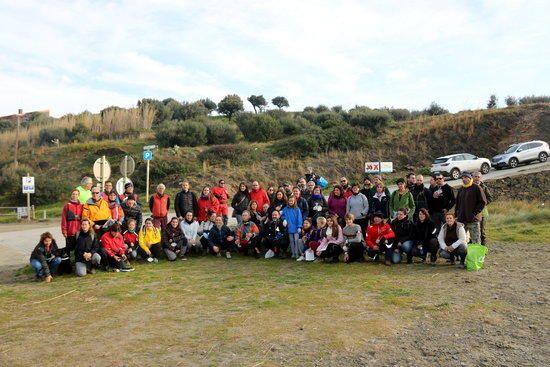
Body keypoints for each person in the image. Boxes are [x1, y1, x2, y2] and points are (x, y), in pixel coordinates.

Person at [455, 172, 487, 245]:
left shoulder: (476, 188)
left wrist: (474, 213)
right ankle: (463, 255)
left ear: (470, 178)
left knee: (476, 241)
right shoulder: (461, 189)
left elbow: (483, 202)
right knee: (460, 240)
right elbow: (457, 204)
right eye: (462, 178)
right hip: (462, 220)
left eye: (465, 177)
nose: (463, 179)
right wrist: (456, 215)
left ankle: (477, 256)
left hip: (473, 220)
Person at [61, 189, 83, 260]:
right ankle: (68, 265)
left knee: (79, 249)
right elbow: (64, 219)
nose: (75, 195)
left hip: (79, 231)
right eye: (73, 194)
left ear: (78, 195)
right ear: (71, 195)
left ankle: (77, 263)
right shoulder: (67, 206)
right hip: (70, 232)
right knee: (69, 249)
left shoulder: (82, 206)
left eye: (76, 194)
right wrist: (64, 231)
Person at [473, 171, 493, 246]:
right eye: (475, 176)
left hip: (483, 212)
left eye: (478, 177)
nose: (477, 178)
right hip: (472, 212)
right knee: (473, 231)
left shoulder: (484, 187)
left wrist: (483, 204)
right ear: (472, 177)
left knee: (482, 231)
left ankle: (483, 248)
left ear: (481, 178)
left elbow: (490, 198)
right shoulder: (469, 186)